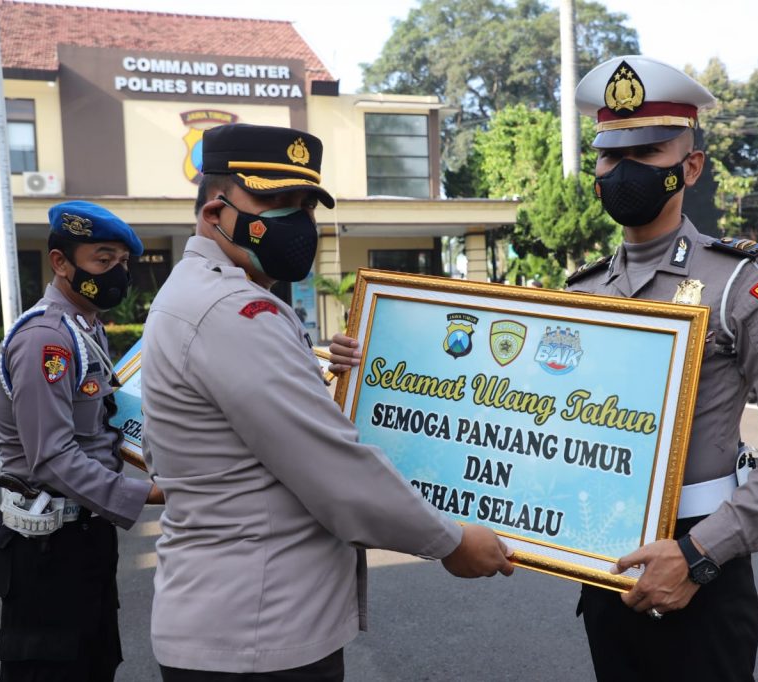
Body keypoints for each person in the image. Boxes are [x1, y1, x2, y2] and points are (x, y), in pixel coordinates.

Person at [332, 55, 758, 682]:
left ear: (691, 166)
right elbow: (508, 408)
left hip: (700, 560)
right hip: (601, 556)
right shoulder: (582, 293)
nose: (623, 170)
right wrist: (371, 363)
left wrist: (701, 554)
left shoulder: (741, 284)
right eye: (608, 154)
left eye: (648, 151)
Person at [140, 123, 513, 682]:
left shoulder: (201, 294)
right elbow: (333, 471)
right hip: (258, 632)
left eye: (305, 204)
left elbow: (254, 434)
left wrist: (343, 382)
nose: (297, 222)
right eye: (273, 200)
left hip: (234, 618)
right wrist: (451, 541)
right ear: (214, 213)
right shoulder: (234, 312)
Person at [0, 201, 164, 682]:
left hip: (81, 536)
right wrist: (146, 494)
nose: (117, 274)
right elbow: (52, 457)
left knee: (93, 663)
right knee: (52, 671)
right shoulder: (47, 342)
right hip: (47, 550)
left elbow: (100, 425)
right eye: (103, 261)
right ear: (61, 263)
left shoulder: (84, 329)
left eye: (122, 263)